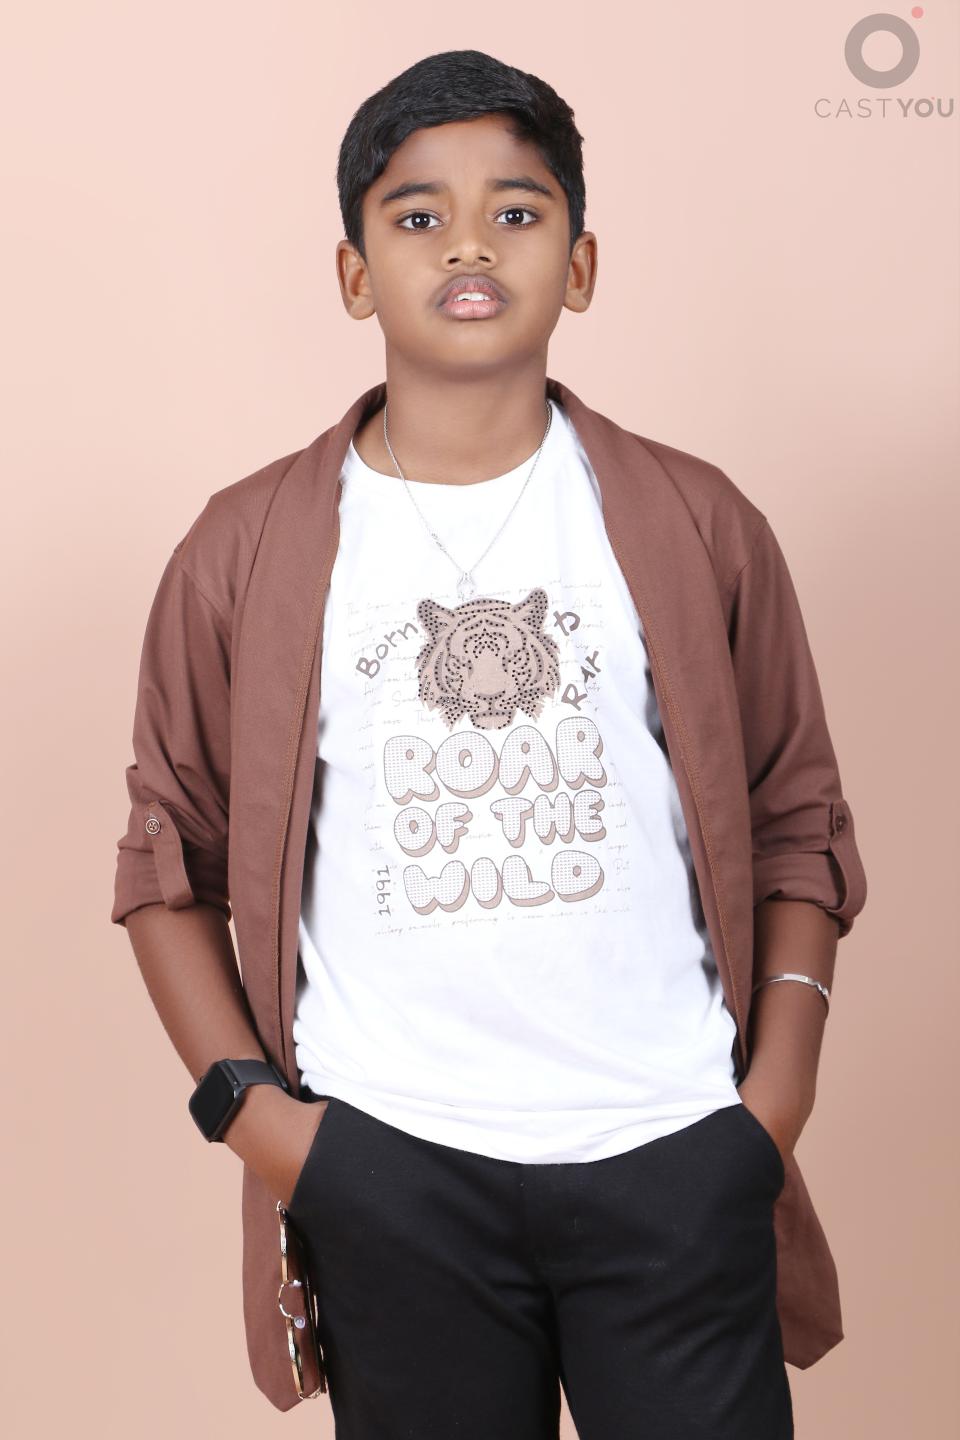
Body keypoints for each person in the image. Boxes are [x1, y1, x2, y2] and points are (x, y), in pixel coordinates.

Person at [112, 49, 867, 1439]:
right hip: (392, 1173)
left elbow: (797, 819)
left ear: (580, 266)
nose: (469, 243)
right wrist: (263, 1125)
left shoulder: (697, 523)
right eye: (418, 216)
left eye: (516, 211)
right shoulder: (245, 550)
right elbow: (169, 863)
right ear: (356, 276)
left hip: (675, 1152)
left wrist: (773, 1104)